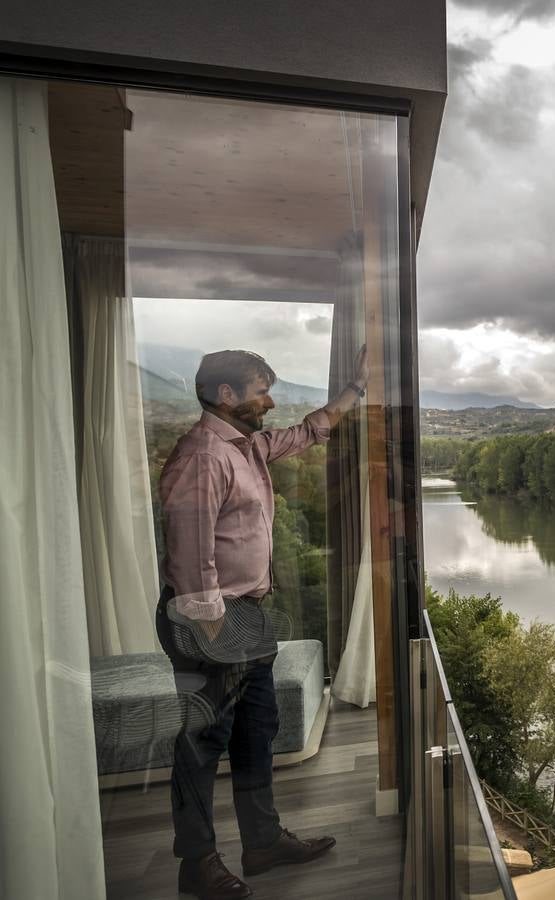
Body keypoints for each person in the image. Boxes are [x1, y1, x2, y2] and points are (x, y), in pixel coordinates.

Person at [157, 347, 368, 900]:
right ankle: (196, 863)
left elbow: (305, 433)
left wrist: (356, 390)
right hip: (210, 617)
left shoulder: (244, 446)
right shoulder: (203, 456)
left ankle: (263, 841)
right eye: (260, 390)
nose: (270, 401)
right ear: (226, 395)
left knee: (257, 731)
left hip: (245, 614)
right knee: (202, 743)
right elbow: (188, 555)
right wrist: (213, 634)